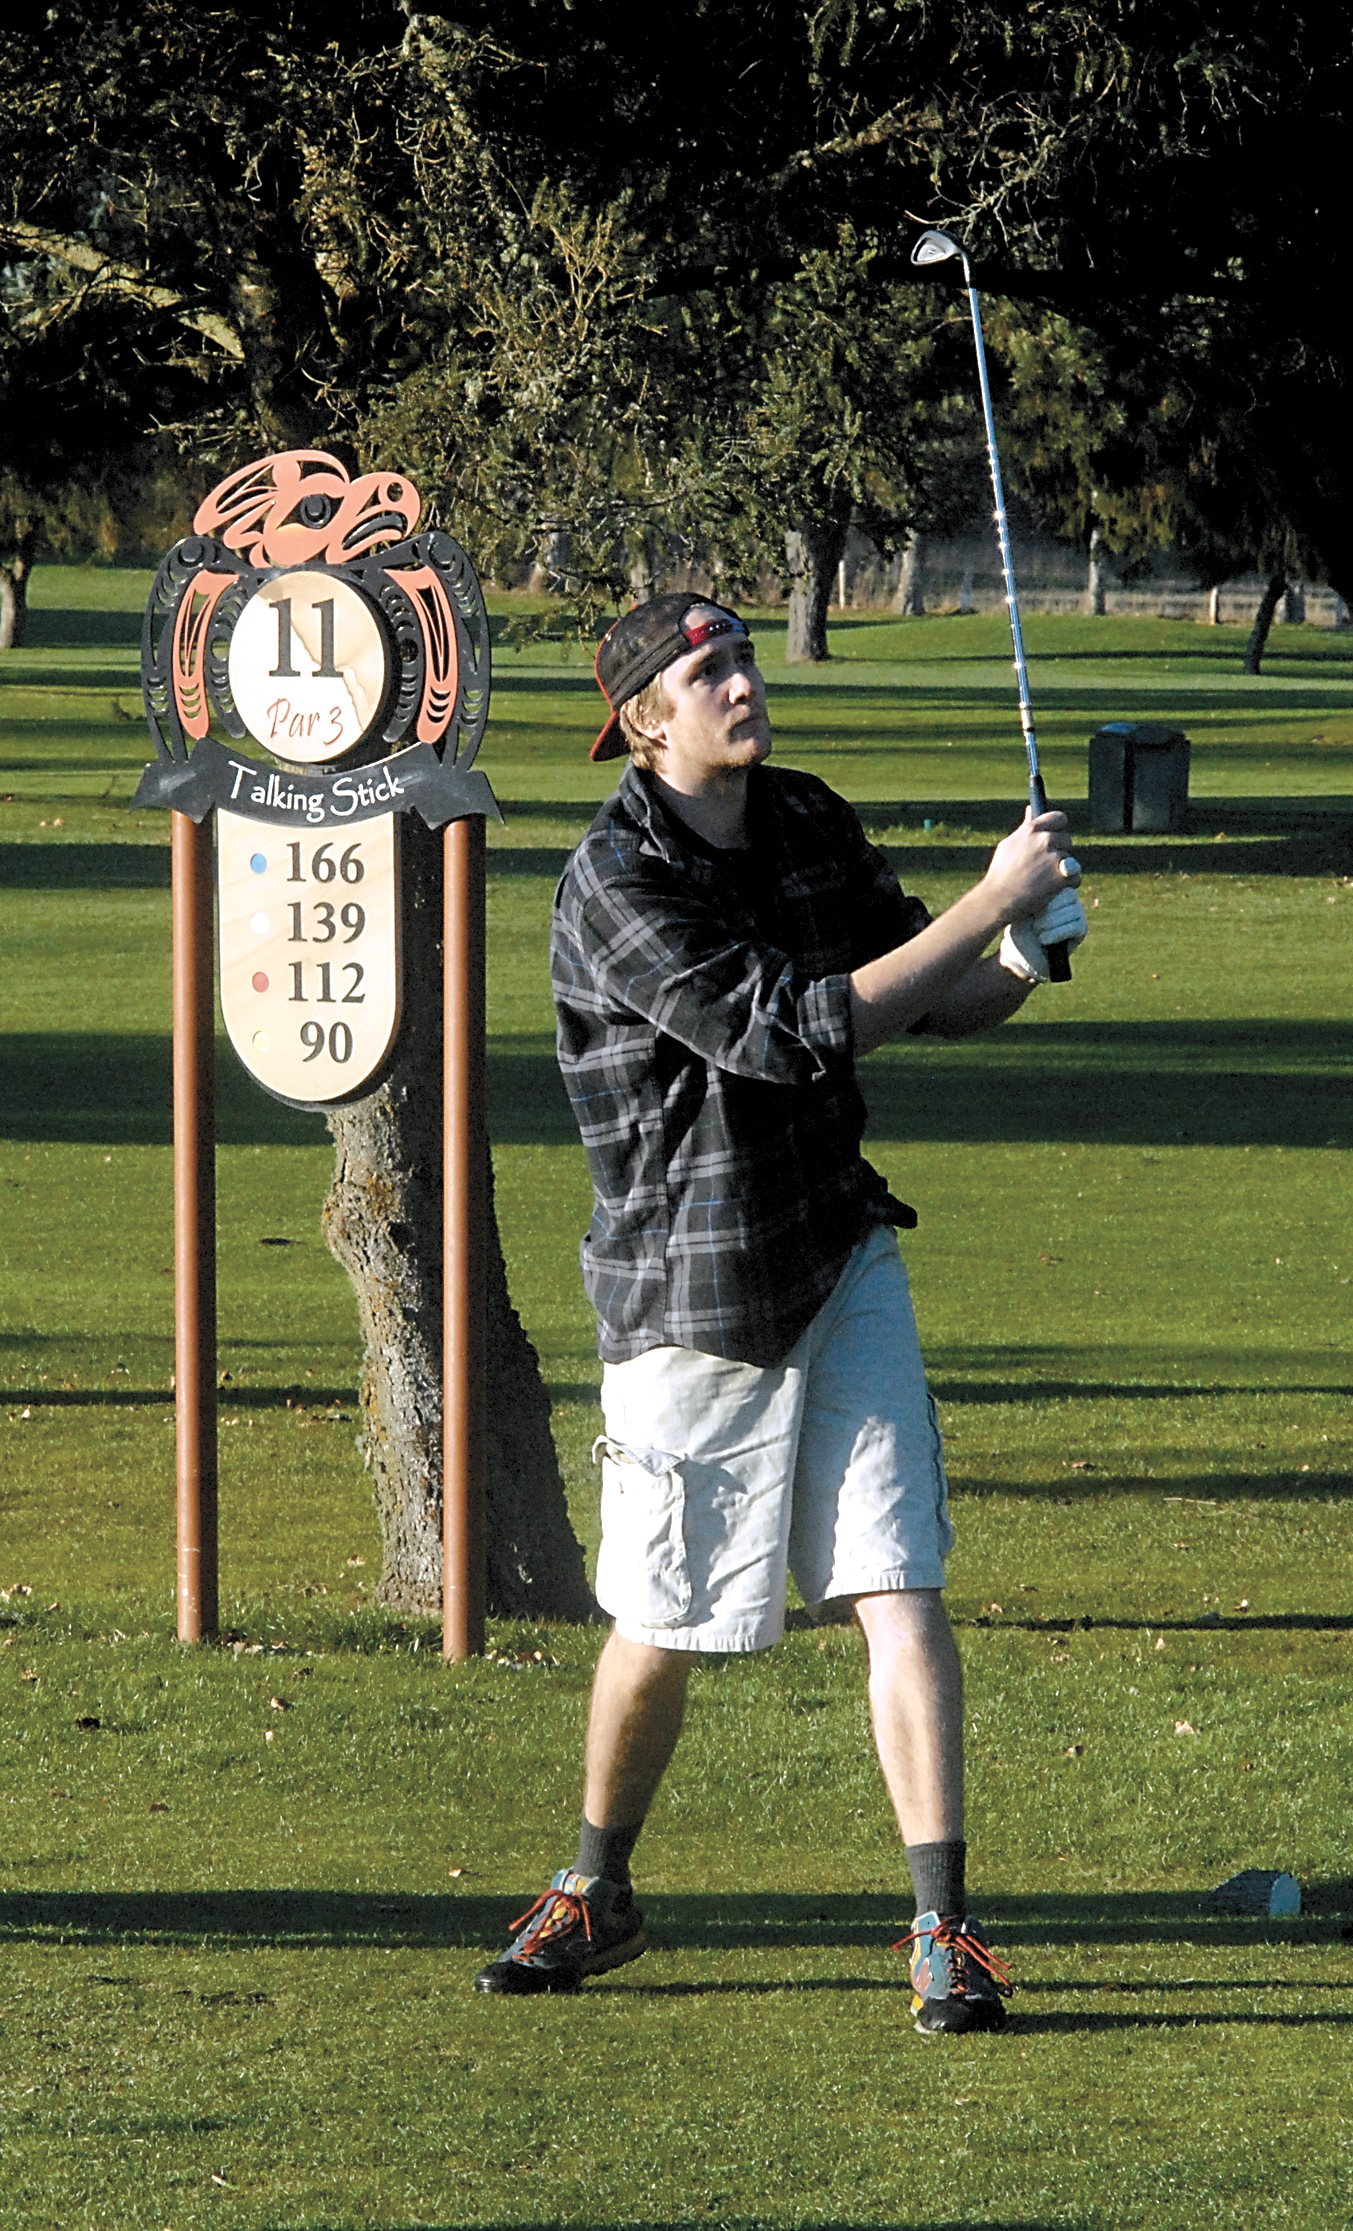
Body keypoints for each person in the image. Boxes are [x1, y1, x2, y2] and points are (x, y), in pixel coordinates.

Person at [473, 592, 1085, 2033]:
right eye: (709, 672)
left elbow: (917, 995)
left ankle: (944, 1926)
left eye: (742, 657)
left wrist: (1019, 955)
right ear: (645, 719)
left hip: (835, 1248)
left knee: (898, 1581)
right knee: (661, 1621)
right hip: (692, 1294)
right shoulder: (615, 879)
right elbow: (791, 1029)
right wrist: (987, 902)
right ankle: (596, 1887)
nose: (741, 683)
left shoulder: (805, 814)